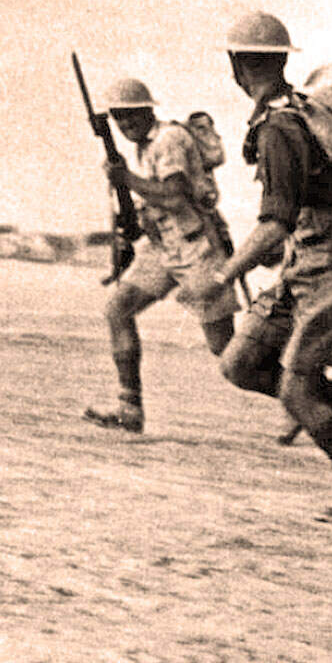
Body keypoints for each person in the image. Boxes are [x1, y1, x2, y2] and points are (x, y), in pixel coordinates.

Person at [183, 11, 332, 523]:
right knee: (239, 362)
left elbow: (274, 223)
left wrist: (223, 274)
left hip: (331, 260)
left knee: (296, 388)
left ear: (238, 66)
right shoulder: (288, 113)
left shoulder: (278, 126)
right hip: (311, 255)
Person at [84, 78, 239, 434]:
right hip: (164, 248)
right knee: (117, 309)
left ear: (148, 110)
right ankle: (129, 408)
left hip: (198, 248)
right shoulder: (145, 144)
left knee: (228, 352)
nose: (125, 125)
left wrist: (126, 179)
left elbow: (173, 196)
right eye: (119, 118)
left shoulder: (168, 139)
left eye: (132, 116)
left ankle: (307, 397)